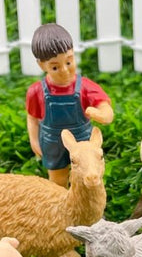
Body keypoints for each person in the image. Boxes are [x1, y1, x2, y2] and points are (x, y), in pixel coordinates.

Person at [25, 23, 113, 186]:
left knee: (88, 177)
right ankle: (59, 205)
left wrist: (102, 114)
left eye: (69, 62)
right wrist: (34, 141)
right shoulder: (36, 91)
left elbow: (106, 109)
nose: (64, 70)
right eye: (55, 67)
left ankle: (90, 207)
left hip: (83, 142)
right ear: (41, 65)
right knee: (57, 179)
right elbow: (32, 118)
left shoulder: (86, 87)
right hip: (53, 143)